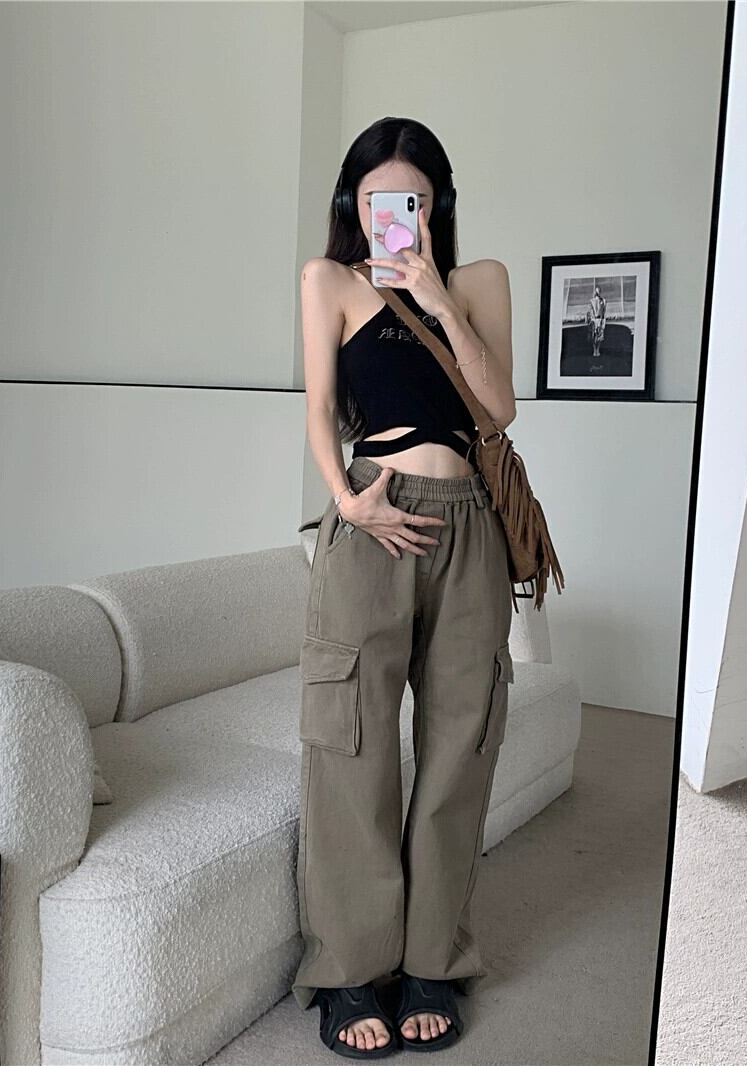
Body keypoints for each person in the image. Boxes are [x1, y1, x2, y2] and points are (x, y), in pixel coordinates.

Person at [293, 116, 516, 1058]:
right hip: (373, 521)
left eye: (414, 199)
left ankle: (432, 962)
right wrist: (349, 501)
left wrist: (435, 297)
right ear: (354, 202)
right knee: (352, 746)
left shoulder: (479, 281)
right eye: (380, 198)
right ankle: (350, 970)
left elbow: (500, 408)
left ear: (437, 203)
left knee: (462, 745)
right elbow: (318, 411)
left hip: (469, 526)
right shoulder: (329, 280)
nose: (397, 213)